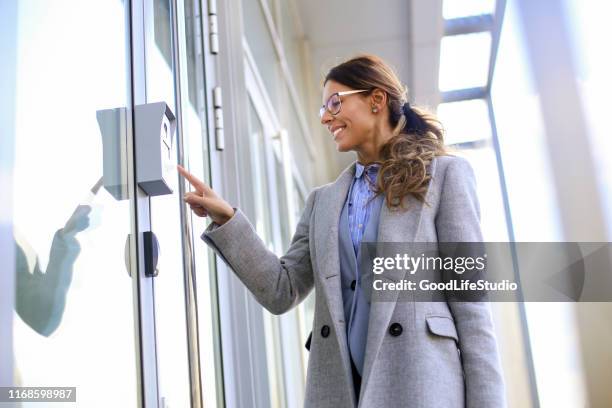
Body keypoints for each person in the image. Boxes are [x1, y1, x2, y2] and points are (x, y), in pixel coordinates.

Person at [178, 54, 506, 408]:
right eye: (323, 109)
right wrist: (227, 219)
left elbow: (472, 307)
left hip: (420, 387)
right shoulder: (323, 202)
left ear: (377, 100)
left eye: (335, 103)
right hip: (340, 393)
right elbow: (281, 289)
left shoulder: (444, 176)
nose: (326, 117)